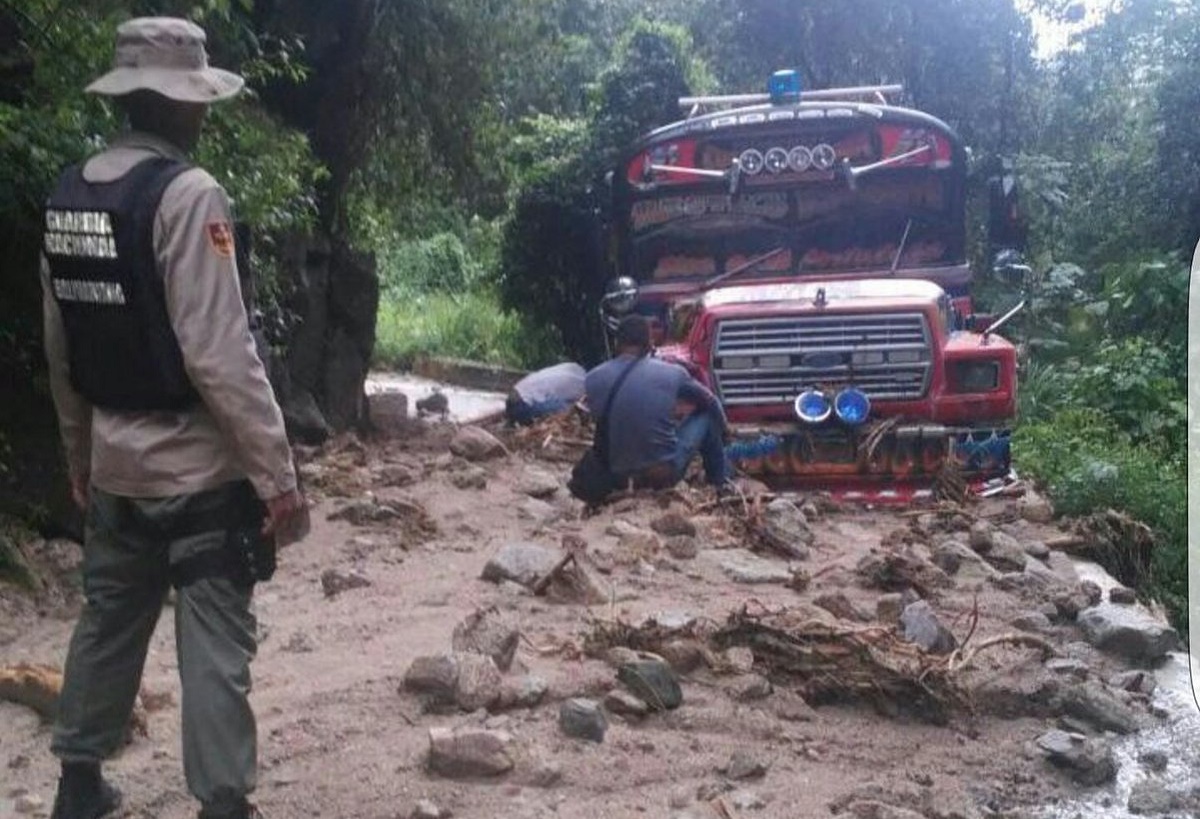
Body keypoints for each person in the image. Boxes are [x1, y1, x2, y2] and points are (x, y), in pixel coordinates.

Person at [39, 17, 308, 819]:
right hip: (198, 469)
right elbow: (221, 353)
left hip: (117, 465)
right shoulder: (190, 197)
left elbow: (62, 349)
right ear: (180, 105)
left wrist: (78, 455)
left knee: (109, 623)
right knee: (215, 639)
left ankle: (79, 784)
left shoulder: (71, 194)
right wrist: (277, 477)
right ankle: (223, 803)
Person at [583, 314, 732, 491]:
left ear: (617, 344)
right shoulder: (672, 372)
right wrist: (726, 433)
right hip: (661, 476)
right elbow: (710, 401)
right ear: (649, 343)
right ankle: (720, 482)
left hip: (615, 477)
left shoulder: (592, 378)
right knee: (706, 416)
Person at [504, 361, 586, 425]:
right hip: (520, 405)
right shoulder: (582, 385)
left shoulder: (575, 368)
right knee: (570, 409)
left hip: (517, 397)